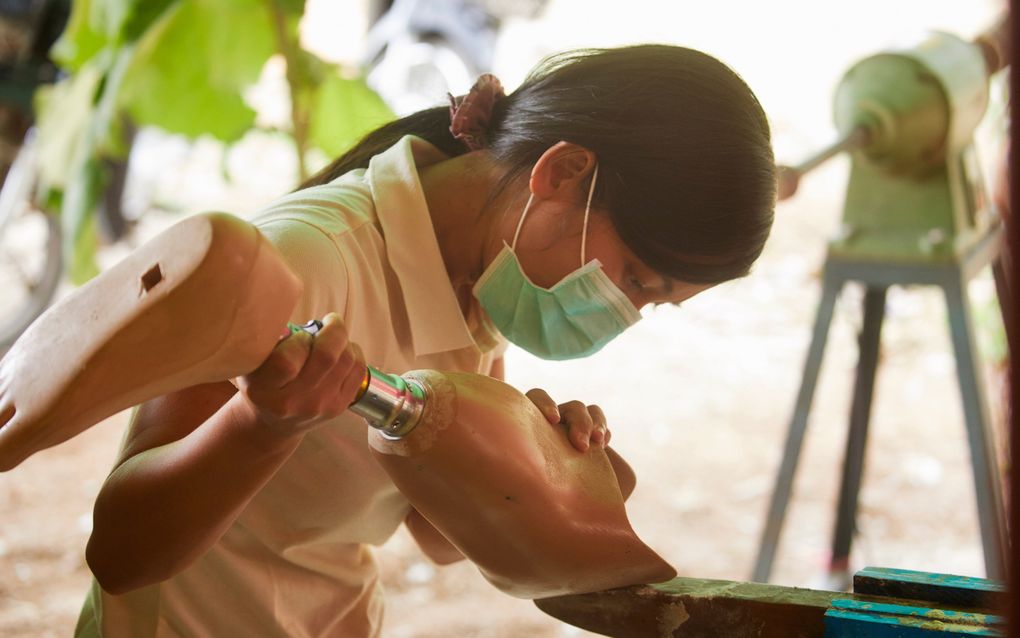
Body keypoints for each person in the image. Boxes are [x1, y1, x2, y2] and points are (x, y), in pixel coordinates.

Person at [76, 44, 776, 636]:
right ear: (562, 173)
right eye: (636, 280)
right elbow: (123, 551)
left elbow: (438, 536)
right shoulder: (305, 260)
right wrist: (262, 425)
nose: (626, 314)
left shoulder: (479, 284)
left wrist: (538, 467)